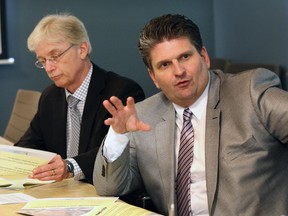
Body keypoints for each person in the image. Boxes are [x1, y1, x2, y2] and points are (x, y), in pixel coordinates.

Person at [93, 13, 288, 216]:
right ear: (153, 77)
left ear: (204, 56)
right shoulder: (144, 115)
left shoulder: (249, 91)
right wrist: (118, 135)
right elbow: (110, 188)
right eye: (165, 65)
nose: (178, 71)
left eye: (185, 57)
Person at [14, 13, 145, 184]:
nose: (49, 67)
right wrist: (11, 159)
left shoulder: (121, 92)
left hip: (102, 191)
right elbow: (29, 144)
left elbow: (116, 152)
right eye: (42, 60)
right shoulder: (50, 96)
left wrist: (69, 167)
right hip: (61, 193)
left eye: (54, 56)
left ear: (82, 50)